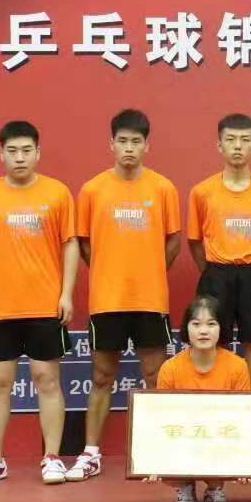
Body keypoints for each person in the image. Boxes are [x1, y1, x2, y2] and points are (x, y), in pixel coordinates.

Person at [68, 109, 182, 482]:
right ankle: (90, 453)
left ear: (147, 145)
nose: (129, 148)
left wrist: (149, 271)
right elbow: (84, 243)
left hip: (150, 298)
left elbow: (173, 241)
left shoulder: (163, 188)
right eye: (123, 141)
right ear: (111, 144)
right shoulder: (93, 190)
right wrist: (108, 271)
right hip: (108, 299)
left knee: (155, 376)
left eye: (136, 141)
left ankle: (158, 453)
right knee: (102, 376)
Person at [0, 120, 79, 486]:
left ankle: (52, 458)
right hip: (0, 307)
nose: (20, 157)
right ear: (1, 154)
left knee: (48, 380)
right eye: (12, 151)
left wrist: (66, 293)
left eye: (27, 150)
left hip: (45, 306)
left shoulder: (57, 194)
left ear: (38, 153)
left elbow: (70, 244)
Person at [187, 113, 251, 380]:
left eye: (244, 140)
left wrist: (249, 264)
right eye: (230, 140)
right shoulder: (202, 192)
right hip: (216, 275)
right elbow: (194, 241)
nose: (237, 146)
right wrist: (213, 270)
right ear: (219, 145)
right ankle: (218, 399)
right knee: (213, 343)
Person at [156, 295, 251, 502]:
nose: (203, 331)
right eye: (196, 324)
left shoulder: (237, 366)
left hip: (221, 435)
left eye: (211, 324)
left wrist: (249, 461)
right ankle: (184, 485)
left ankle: (215, 488)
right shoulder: (170, 369)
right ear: (186, 328)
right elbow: (161, 420)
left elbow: (244, 418)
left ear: (221, 328)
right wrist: (148, 461)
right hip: (184, 434)